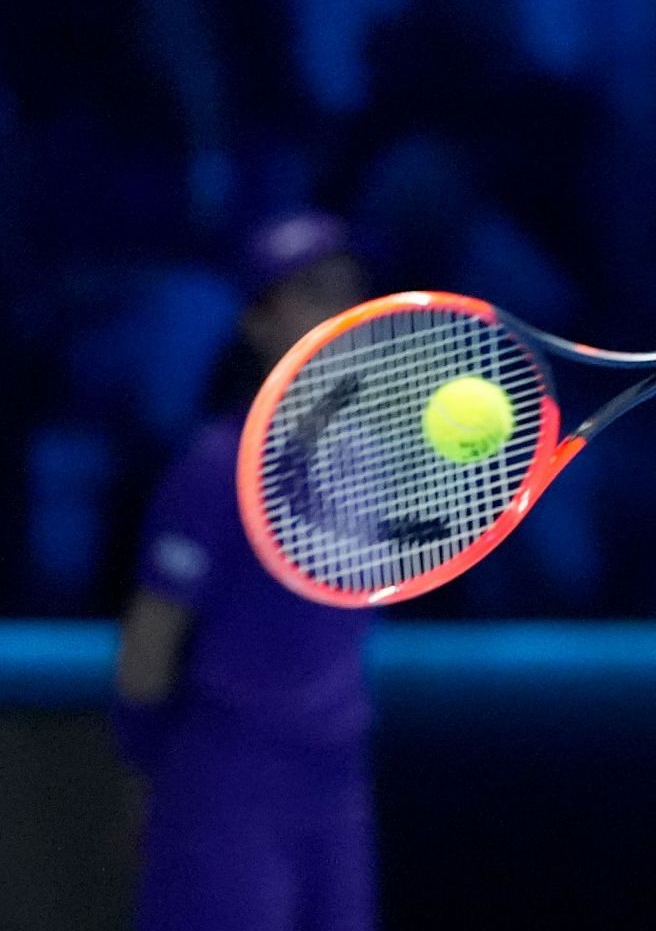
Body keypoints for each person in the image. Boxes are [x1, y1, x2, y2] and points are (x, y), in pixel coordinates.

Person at [112, 212, 378, 931]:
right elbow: (148, 648)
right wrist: (146, 776)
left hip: (338, 782)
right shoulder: (214, 466)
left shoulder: (369, 462)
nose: (339, 313)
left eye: (349, 293)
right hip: (228, 781)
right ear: (258, 322)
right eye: (312, 292)